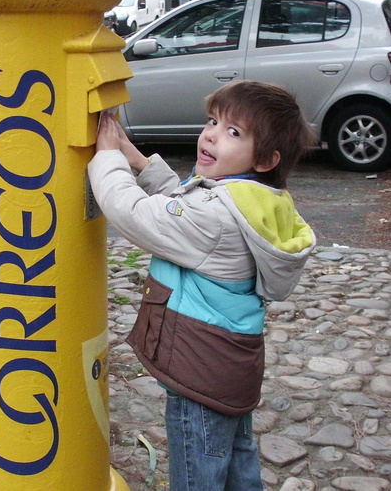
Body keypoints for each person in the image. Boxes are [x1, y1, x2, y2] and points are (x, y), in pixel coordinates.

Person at [87, 80, 316, 491]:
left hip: (200, 371)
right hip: (229, 366)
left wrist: (107, 158)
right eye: (212, 120)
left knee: (199, 472)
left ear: (265, 158)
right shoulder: (254, 198)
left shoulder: (214, 218)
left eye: (233, 132)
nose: (211, 133)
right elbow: (184, 204)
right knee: (236, 461)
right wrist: (138, 160)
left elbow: (136, 213)